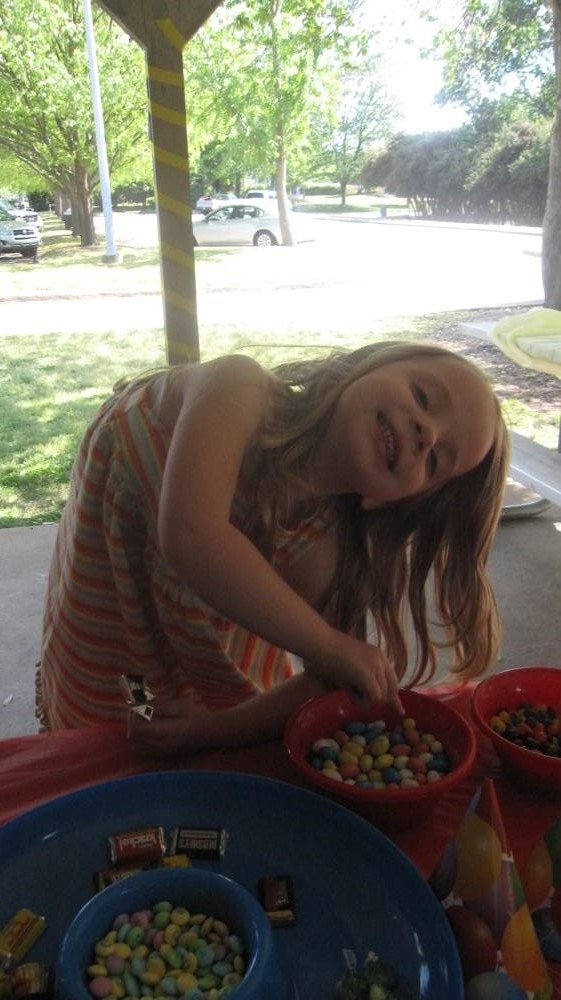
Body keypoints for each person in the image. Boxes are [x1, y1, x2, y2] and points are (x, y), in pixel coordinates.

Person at [37, 341, 509, 755]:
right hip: (111, 634)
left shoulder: (319, 549)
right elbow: (193, 535)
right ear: (361, 368)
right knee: (111, 728)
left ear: (389, 501)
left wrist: (212, 729)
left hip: (195, 676)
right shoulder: (238, 388)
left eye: (435, 461)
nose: (426, 432)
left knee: (151, 735)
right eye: (423, 397)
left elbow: (327, 677)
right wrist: (327, 645)